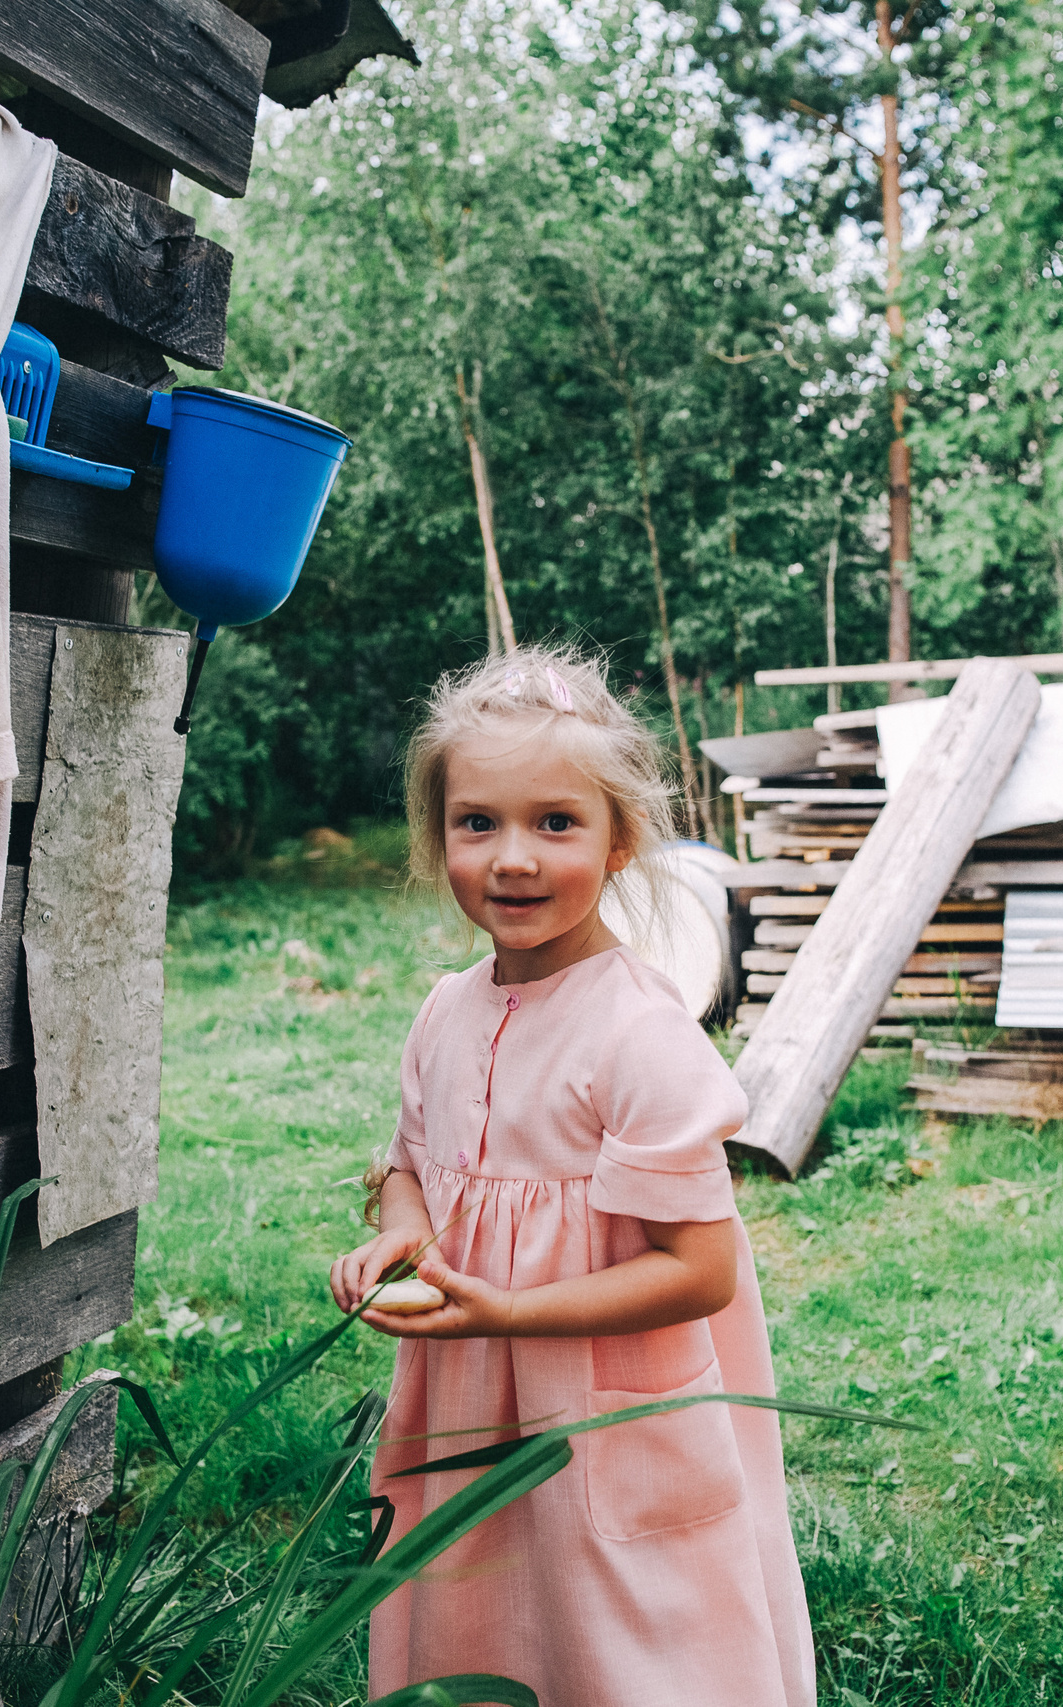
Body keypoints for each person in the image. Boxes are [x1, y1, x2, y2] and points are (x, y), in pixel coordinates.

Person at [329, 647, 812, 1706]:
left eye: (556, 823)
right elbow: (411, 1170)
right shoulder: (444, 1013)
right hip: (469, 1395)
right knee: (481, 1600)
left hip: (609, 1406)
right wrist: (396, 1235)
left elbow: (700, 1273)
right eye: (477, 823)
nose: (513, 858)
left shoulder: (639, 1036)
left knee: (624, 1634)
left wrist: (512, 1306)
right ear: (436, 834)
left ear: (621, 839)